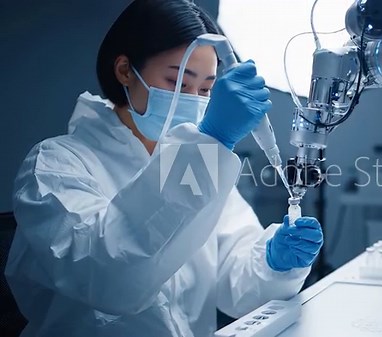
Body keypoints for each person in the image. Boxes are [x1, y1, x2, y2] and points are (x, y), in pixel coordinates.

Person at [4, 1, 323, 336]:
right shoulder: (54, 166)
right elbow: (109, 276)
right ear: (125, 70)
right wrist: (210, 142)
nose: (194, 99)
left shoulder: (203, 167)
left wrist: (274, 263)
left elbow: (233, 282)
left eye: (206, 89)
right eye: (178, 83)